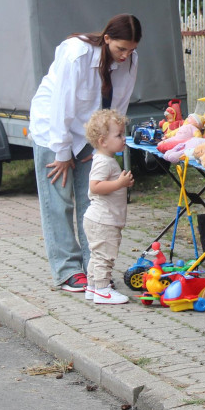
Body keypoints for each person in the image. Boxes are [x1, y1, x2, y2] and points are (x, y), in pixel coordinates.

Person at [28, 13, 142, 293]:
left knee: (94, 203)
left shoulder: (130, 63)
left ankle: (96, 270)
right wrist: (62, 152)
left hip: (93, 134)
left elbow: (119, 107)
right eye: (121, 49)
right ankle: (67, 270)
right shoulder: (76, 54)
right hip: (52, 129)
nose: (126, 55)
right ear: (106, 39)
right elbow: (61, 105)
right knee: (59, 203)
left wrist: (106, 144)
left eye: (132, 49)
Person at [82, 108, 135, 304]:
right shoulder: (104, 162)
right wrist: (119, 184)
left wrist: (122, 183)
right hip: (103, 219)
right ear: (103, 141)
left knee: (96, 255)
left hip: (100, 219)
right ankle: (103, 290)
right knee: (105, 256)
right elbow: (95, 187)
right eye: (119, 135)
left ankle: (92, 286)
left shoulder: (107, 160)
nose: (124, 138)